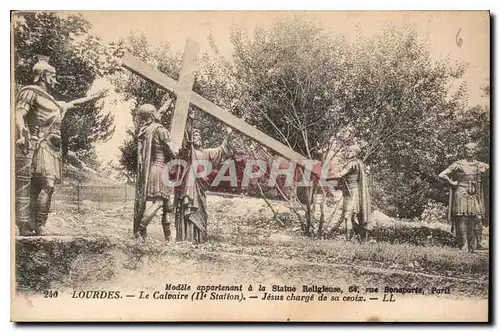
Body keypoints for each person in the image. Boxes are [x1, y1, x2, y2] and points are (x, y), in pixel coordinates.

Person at [15, 55, 107, 236]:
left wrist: (93, 98)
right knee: (45, 185)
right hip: (38, 143)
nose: (55, 80)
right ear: (42, 76)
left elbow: (71, 104)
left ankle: (34, 225)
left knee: (42, 186)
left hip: (52, 148)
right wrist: (21, 132)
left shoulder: (51, 100)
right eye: (52, 76)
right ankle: (35, 226)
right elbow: (19, 113)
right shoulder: (31, 92)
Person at [175, 111, 234, 244]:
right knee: (190, 208)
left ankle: (199, 239)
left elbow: (221, 150)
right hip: (190, 186)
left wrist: (228, 135)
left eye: (199, 135)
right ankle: (188, 238)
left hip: (200, 188)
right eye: (195, 135)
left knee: (201, 211)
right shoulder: (190, 152)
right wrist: (190, 121)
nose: (198, 137)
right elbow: (186, 143)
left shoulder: (206, 153)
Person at [133, 102, 178, 241]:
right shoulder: (161, 130)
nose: (159, 113)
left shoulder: (145, 130)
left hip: (151, 170)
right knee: (159, 202)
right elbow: (173, 151)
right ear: (152, 115)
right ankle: (140, 230)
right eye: (156, 112)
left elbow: (160, 113)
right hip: (161, 169)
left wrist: (167, 103)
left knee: (167, 205)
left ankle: (168, 237)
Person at [439, 142, 489, 252]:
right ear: (464, 151)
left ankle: (473, 245)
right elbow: (442, 174)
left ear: (475, 151)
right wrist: (451, 182)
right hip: (461, 192)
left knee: (473, 218)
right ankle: (463, 244)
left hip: (474, 193)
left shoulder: (480, 165)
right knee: (462, 218)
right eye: (468, 149)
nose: (470, 152)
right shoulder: (458, 164)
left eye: (472, 149)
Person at [328, 144, 371, 240]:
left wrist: (326, 177)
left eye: (350, 151)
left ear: (356, 153)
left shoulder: (352, 163)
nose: (348, 153)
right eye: (347, 151)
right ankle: (355, 237)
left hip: (352, 192)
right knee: (349, 216)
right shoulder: (359, 163)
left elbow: (340, 175)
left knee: (348, 216)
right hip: (349, 191)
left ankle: (348, 239)